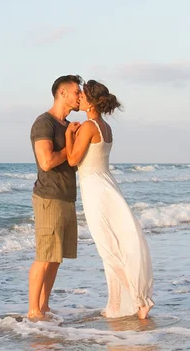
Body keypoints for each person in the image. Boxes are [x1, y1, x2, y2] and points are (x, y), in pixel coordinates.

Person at [65, 79, 154, 319]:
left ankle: (140, 301)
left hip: (95, 190)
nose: (79, 99)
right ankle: (115, 305)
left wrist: (67, 134)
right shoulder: (105, 126)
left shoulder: (88, 127)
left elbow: (73, 161)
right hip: (108, 186)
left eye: (82, 96)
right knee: (113, 247)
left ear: (91, 101)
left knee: (108, 249)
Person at [27, 75, 82, 320]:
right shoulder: (44, 123)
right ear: (62, 93)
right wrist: (70, 144)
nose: (80, 96)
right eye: (76, 92)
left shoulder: (67, 125)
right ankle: (33, 310)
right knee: (45, 256)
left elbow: (73, 162)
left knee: (56, 258)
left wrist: (74, 138)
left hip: (67, 196)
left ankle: (45, 306)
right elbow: (46, 162)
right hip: (49, 197)